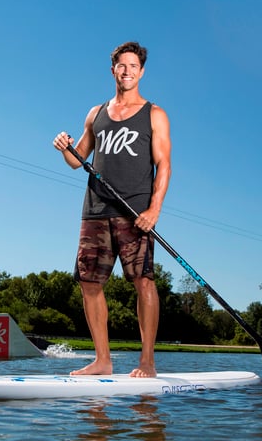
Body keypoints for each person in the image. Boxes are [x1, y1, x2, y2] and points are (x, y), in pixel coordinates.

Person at [52, 42, 172, 378]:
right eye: (122, 65)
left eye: (134, 66)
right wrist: (65, 148)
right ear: (113, 70)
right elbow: (78, 160)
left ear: (141, 71)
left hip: (135, 213)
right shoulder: (96, 114)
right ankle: (102, 360)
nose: (127, 71)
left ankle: (147, 361)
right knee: (89, 283)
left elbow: (164, 165)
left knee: (143, 282)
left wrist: (154, 210)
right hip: (94, 211)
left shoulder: (155, 115)